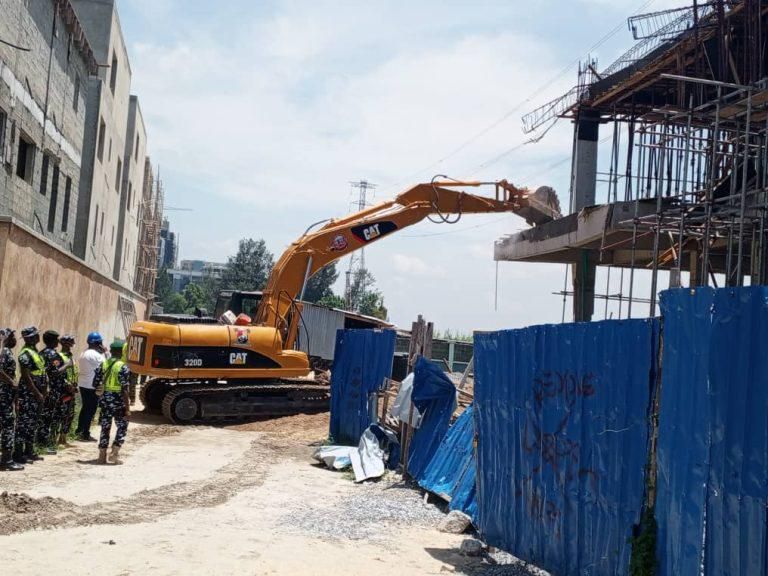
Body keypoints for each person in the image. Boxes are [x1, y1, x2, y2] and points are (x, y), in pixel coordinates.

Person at [93, 340, 131, 464]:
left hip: (105, 402)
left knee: (105, 427)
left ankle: (102, 456)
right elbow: (124, 389)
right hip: (118, 402)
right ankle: (114, 453)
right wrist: (128, 408)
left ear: (111, 351)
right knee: (122, 426)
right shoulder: (123, 367)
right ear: (121, 352)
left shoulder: (103, 364)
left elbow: (95, 383)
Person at [16, 326, 47, 463]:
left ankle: (29, 451)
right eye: (35, 336)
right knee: (23, 424)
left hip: (37, 394)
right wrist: (37, 393)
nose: (37, 337)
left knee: (32, 424)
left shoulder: (35, 352)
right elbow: (26, 376)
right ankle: (18, 454)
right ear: (30, 338)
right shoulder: (25, 354)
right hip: (28, 394)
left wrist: (43, 391)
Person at [76, 332, 105, 441]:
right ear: (98, 343)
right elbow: (106, 365)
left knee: (85, 408)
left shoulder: (84, 353)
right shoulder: (96, 355)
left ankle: (79, 430)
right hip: (92, 386)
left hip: (83, 384)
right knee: (90, 410)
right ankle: (85, 433)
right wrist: (105, 352)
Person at [39, 330, 65, 454]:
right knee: (47, 417)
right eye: (56, 340)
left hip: (43, 389)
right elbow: (55, 372)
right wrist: (68, 365)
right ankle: (43, 444)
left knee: (43, 416)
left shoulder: (42, 353)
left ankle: (40, 442)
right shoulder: (53, 355)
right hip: (52, 390)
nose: (58, 342)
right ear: (53, 341)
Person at [0, 329, 22, 471]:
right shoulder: (5, 352)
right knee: (8, 426)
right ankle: (6, 460)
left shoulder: (5, 351)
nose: (15, 339)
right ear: (7, 338)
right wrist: (12, 382)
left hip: (6, 395)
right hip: (4, 395)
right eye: (13, 336)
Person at [56, 335, 78, 446]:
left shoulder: (71, 356)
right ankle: (57, 438)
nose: (71, 346)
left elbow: (73, 372)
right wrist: (66, 385)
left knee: (70, 414)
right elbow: (56, 373)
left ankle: (63, 438)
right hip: (63, 391)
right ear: (64, 344)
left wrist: (75, 385)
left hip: (72, 390)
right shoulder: (59, 356)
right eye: (70, 343)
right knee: (62, 413)